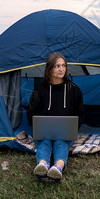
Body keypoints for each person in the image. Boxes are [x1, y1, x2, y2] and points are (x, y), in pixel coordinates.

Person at [26, 52, 84, 181]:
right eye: (57, 66)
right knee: (44, 142)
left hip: (65, 133)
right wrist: (37, 125)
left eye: (63, 65)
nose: (61, 69)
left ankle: (57, 168)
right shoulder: (39, 90)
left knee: (61, 142)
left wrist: (74, 127)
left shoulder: (73, 89)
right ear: (49, 68)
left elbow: (80, 113)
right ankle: (42, 165)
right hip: (44, 132)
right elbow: (30, 113)